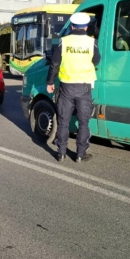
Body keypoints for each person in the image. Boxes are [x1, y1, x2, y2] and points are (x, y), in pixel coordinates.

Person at [46, 12, 100, 163]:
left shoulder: (63, 42)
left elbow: (54, 64)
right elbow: (96, 61)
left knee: (63, 121)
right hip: (84, 87)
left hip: (66, 88)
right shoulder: (92, 42)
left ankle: (61, 153)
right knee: (84, 122)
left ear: (72, 26)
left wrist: (50, 82)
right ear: (86, 27)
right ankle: (80, 155)